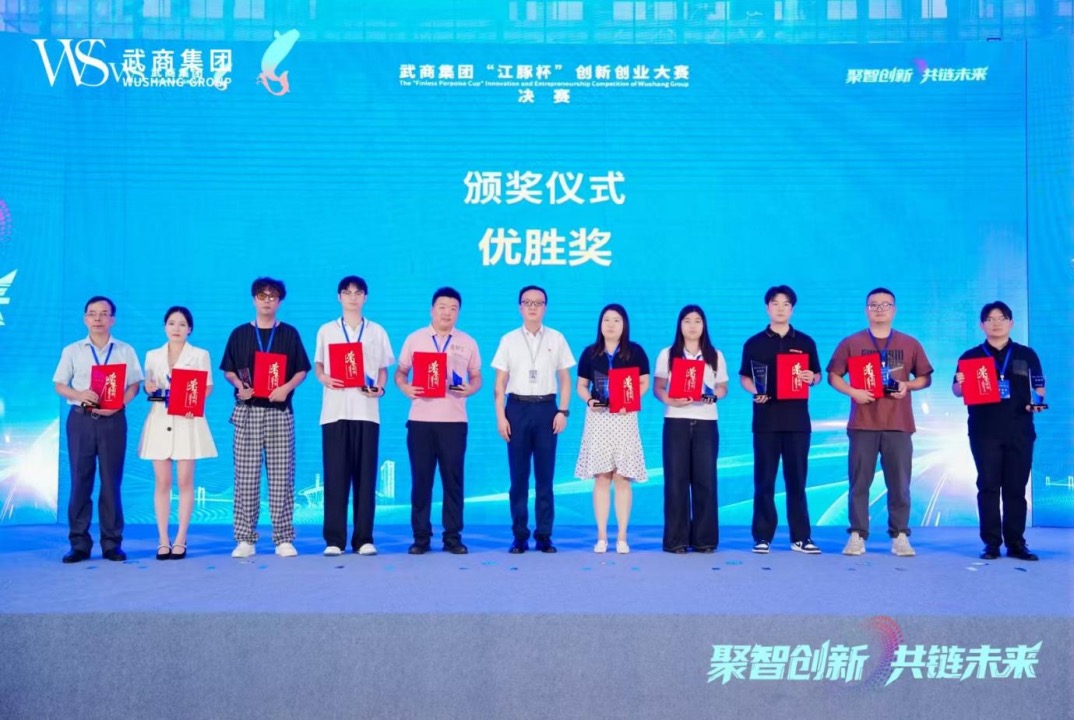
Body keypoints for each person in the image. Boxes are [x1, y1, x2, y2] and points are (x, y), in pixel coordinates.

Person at [827, 288, 933, 557]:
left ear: (894, 310)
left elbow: (925, 378)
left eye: (885, 305)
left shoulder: (909, 343)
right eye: (874, 305)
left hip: (898, 423)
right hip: (863, 424)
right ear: (866, 310)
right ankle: (857, 534)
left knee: (899, 484)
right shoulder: (851, 342)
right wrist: (853, 392)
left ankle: (900, 535)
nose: (879, 309)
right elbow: (834, 376)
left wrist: (907, 385)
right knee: (859, 483)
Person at [220, 277, 311, 558]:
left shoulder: (289, 333)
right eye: (262, 295)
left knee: (282, 478)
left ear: (280, 301)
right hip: (248, 412)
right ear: (253, 299)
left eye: (273, 296)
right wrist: (239, 386)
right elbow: (228, 370)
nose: (267, 300)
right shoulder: (239, 333)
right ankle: (245, 539)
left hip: (280, 413)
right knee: (246, 479)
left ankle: (283, 538)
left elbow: (302, 369)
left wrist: (286, 388)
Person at [953, 301, 1046, 561]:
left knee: (1016, 487)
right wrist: (960, 383)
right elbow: (957, 391)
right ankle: (991, 543)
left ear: (1011, 323)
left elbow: (1039, 386)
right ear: (982, 325)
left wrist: (1038, 402)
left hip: (1020, 429)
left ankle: (1016, 543)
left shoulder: (1026, 354)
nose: (996, 323)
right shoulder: (970, 356)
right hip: (984, 431)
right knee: (988, 486)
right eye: (990, 319)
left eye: (1002, 318)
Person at [53, 295, 143, 563]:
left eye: (104, 313)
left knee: (111, 481)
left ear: (112, 319)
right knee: (80, 480)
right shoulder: (73, 350)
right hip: (81, 420)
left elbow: (134, 385)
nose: (98, 319)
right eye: (92, 314)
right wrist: (79, 394)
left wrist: (119, 405)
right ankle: (79, 543)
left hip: (113, 421)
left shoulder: (125, 350)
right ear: (85, 319)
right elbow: (60, 385)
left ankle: (111, 543)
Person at [395, 287, 481, 555]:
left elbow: (477, 376)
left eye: (453, 308)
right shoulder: (415, 339)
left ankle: (452, 537)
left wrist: (470, 388)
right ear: (432, 309)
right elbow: (400, 372)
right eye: (442, 307)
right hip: (420, 421)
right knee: (421, 480)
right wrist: (406, 388)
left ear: (459, 312)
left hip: (454, 422)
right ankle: (421, 537)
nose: (447, 312)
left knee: (453, 481)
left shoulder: (467, 341)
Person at [738, 286, 823, 555]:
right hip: (766, 421)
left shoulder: (805, 341)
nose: (780, 308)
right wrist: (755, 390)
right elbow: (744, 377)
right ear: (767, 308)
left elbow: (817, 375)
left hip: (797, 422)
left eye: (786, 304)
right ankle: (762, 536)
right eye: (775, 303)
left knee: (797, 482)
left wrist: (811, 378)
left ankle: (801, 537)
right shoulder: (754, 343)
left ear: (792, 309)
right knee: (764, 481)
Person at [313, 276, 394, 557]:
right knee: (335, 477)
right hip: (334, 412)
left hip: (367, 412)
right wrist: (324, 378)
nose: (352, 297)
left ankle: (363, 539)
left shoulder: (377, 331)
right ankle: (334, 539)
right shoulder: (327, 330)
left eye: (358, 293)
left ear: (365, 297)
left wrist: (380, 388)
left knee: (366, 477)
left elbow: (383, 369)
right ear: (339, 297)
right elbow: (319, 365)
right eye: (347, 292)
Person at [491, 285, 575, 554]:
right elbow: (499, 384)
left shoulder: (557, 338)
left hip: (547, 409)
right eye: (527, 302)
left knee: (545, 477)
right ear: (520, 307)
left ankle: (544, 535)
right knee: (518, 478)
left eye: (538, 303)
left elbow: (565, 379)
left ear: (545, 308)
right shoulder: (508, 339)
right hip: (516, 408)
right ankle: (519, 535)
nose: (533, 307)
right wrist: (501, 417)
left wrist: (563, 411)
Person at [138, 306, 218, 560]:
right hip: (159, 420)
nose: (176, 328)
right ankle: (163, 538)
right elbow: (148, 385)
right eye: (172, 323)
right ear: (165, 327)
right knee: (162, 482)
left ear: (189, 329)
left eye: (182, 324)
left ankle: (181, 537)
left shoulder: (200, 355)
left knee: (185, 481)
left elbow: (207, 387)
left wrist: (194, 403)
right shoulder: (152, 355)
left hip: (187, 421)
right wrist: (148, 386)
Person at [653, 304, 729, 554]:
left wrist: (714, 396)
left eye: (697, 321)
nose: (693, 326)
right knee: (676, 481)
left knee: (705, 480)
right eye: (687, 321)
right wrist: (670, 400)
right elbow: (658, 387)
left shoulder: (715, 355)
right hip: (676, 421)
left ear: (704, 325)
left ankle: (705, 540)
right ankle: (676, 540)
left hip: (706, 422)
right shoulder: (667, 354)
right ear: (680, 325)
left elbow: (723, 387)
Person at [574, 303, 649, 554]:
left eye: (616, 320)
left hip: (624, 418)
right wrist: (589, 401)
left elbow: (644, 382)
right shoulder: (590, 353)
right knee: (602, 476)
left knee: (622, 476)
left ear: (624, 324)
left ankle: (622, 537)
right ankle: (602, 537)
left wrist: (630, 400)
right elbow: (581, 386)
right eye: (606, 319)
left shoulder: (635, 352)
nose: (611, 325)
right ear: (600, 324)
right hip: (599, 418)